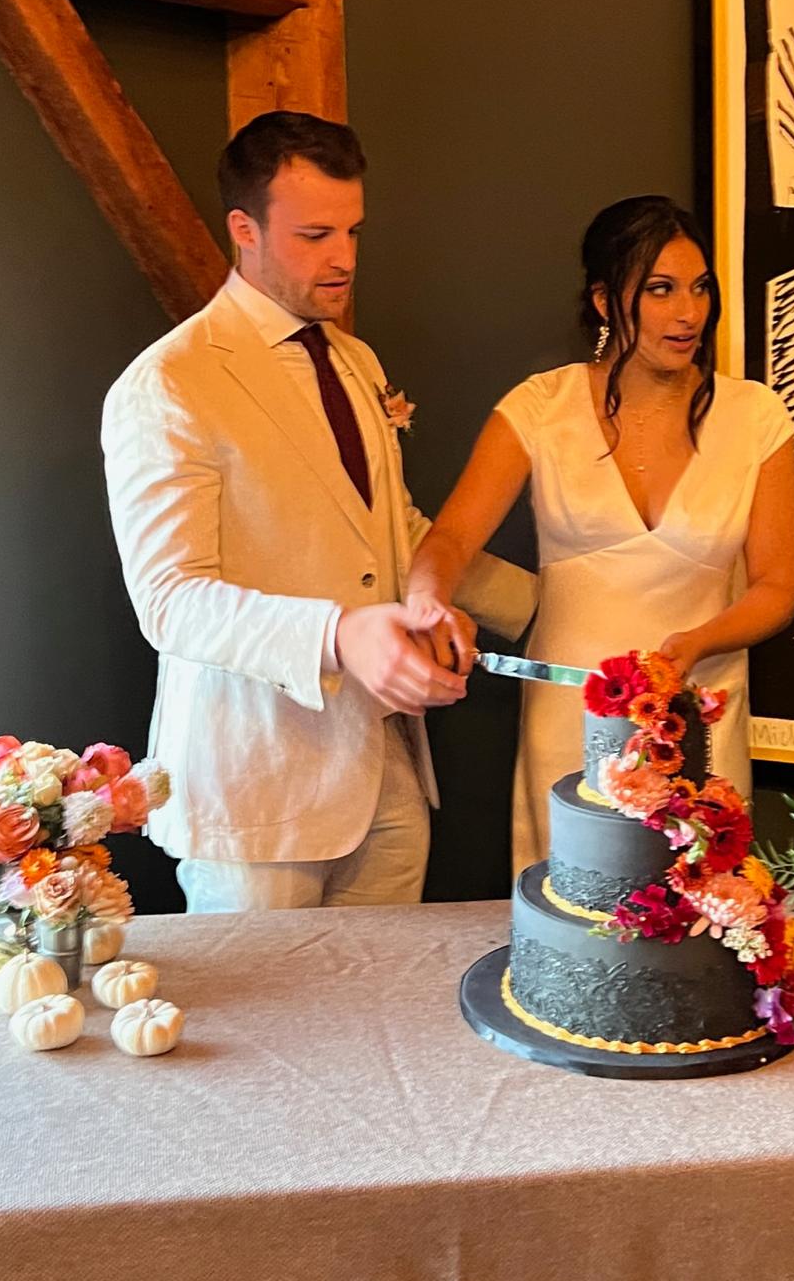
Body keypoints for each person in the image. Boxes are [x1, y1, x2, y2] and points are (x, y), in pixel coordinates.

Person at [102, 111, 535, 911]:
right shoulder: (170, 384)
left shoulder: (356, 360)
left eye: (353, 231)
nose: (345, 258)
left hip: (387, 773)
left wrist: (540, 609)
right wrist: (339, 635)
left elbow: (393, 529)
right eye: (315, 235)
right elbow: (170, 600)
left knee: (385, 994)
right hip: (255, 793)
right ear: (245, 230)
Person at [409, 195, 794, 871]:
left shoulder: (755, 417)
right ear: (603, 300)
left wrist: (695, 645)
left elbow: (776, 587)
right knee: (576, 902)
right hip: (571, 712)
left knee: (698, 902)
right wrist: (427, 602)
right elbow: (447, 541)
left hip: (699, 710)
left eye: (700, 288)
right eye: (661, 290)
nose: (689, 312)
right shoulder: (541, 407)